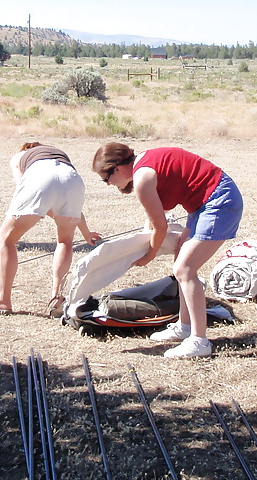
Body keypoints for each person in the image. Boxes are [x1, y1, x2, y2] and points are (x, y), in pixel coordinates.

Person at [92, 142, 243, 358]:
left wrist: (149, 255)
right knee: (181, 259)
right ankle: (185, 326)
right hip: (201, 204)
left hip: (219, 200)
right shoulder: (143, 165)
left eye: (106, 179)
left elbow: (161, 226)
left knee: (185, 268)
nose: (108, 184)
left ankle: (200, 341)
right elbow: (154, 217)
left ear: (116, 168)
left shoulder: (142, 178)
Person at [0, 142, 101, 316]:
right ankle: (57, 299)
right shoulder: (57, 154)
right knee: (65, 241)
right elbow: (73, 208)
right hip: (73, 179)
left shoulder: (19, 157)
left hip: (41, 178)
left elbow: (23, 186)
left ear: (25, 149)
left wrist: (40, 209)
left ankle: (3, 300)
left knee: (7, 239)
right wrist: (86, 233)